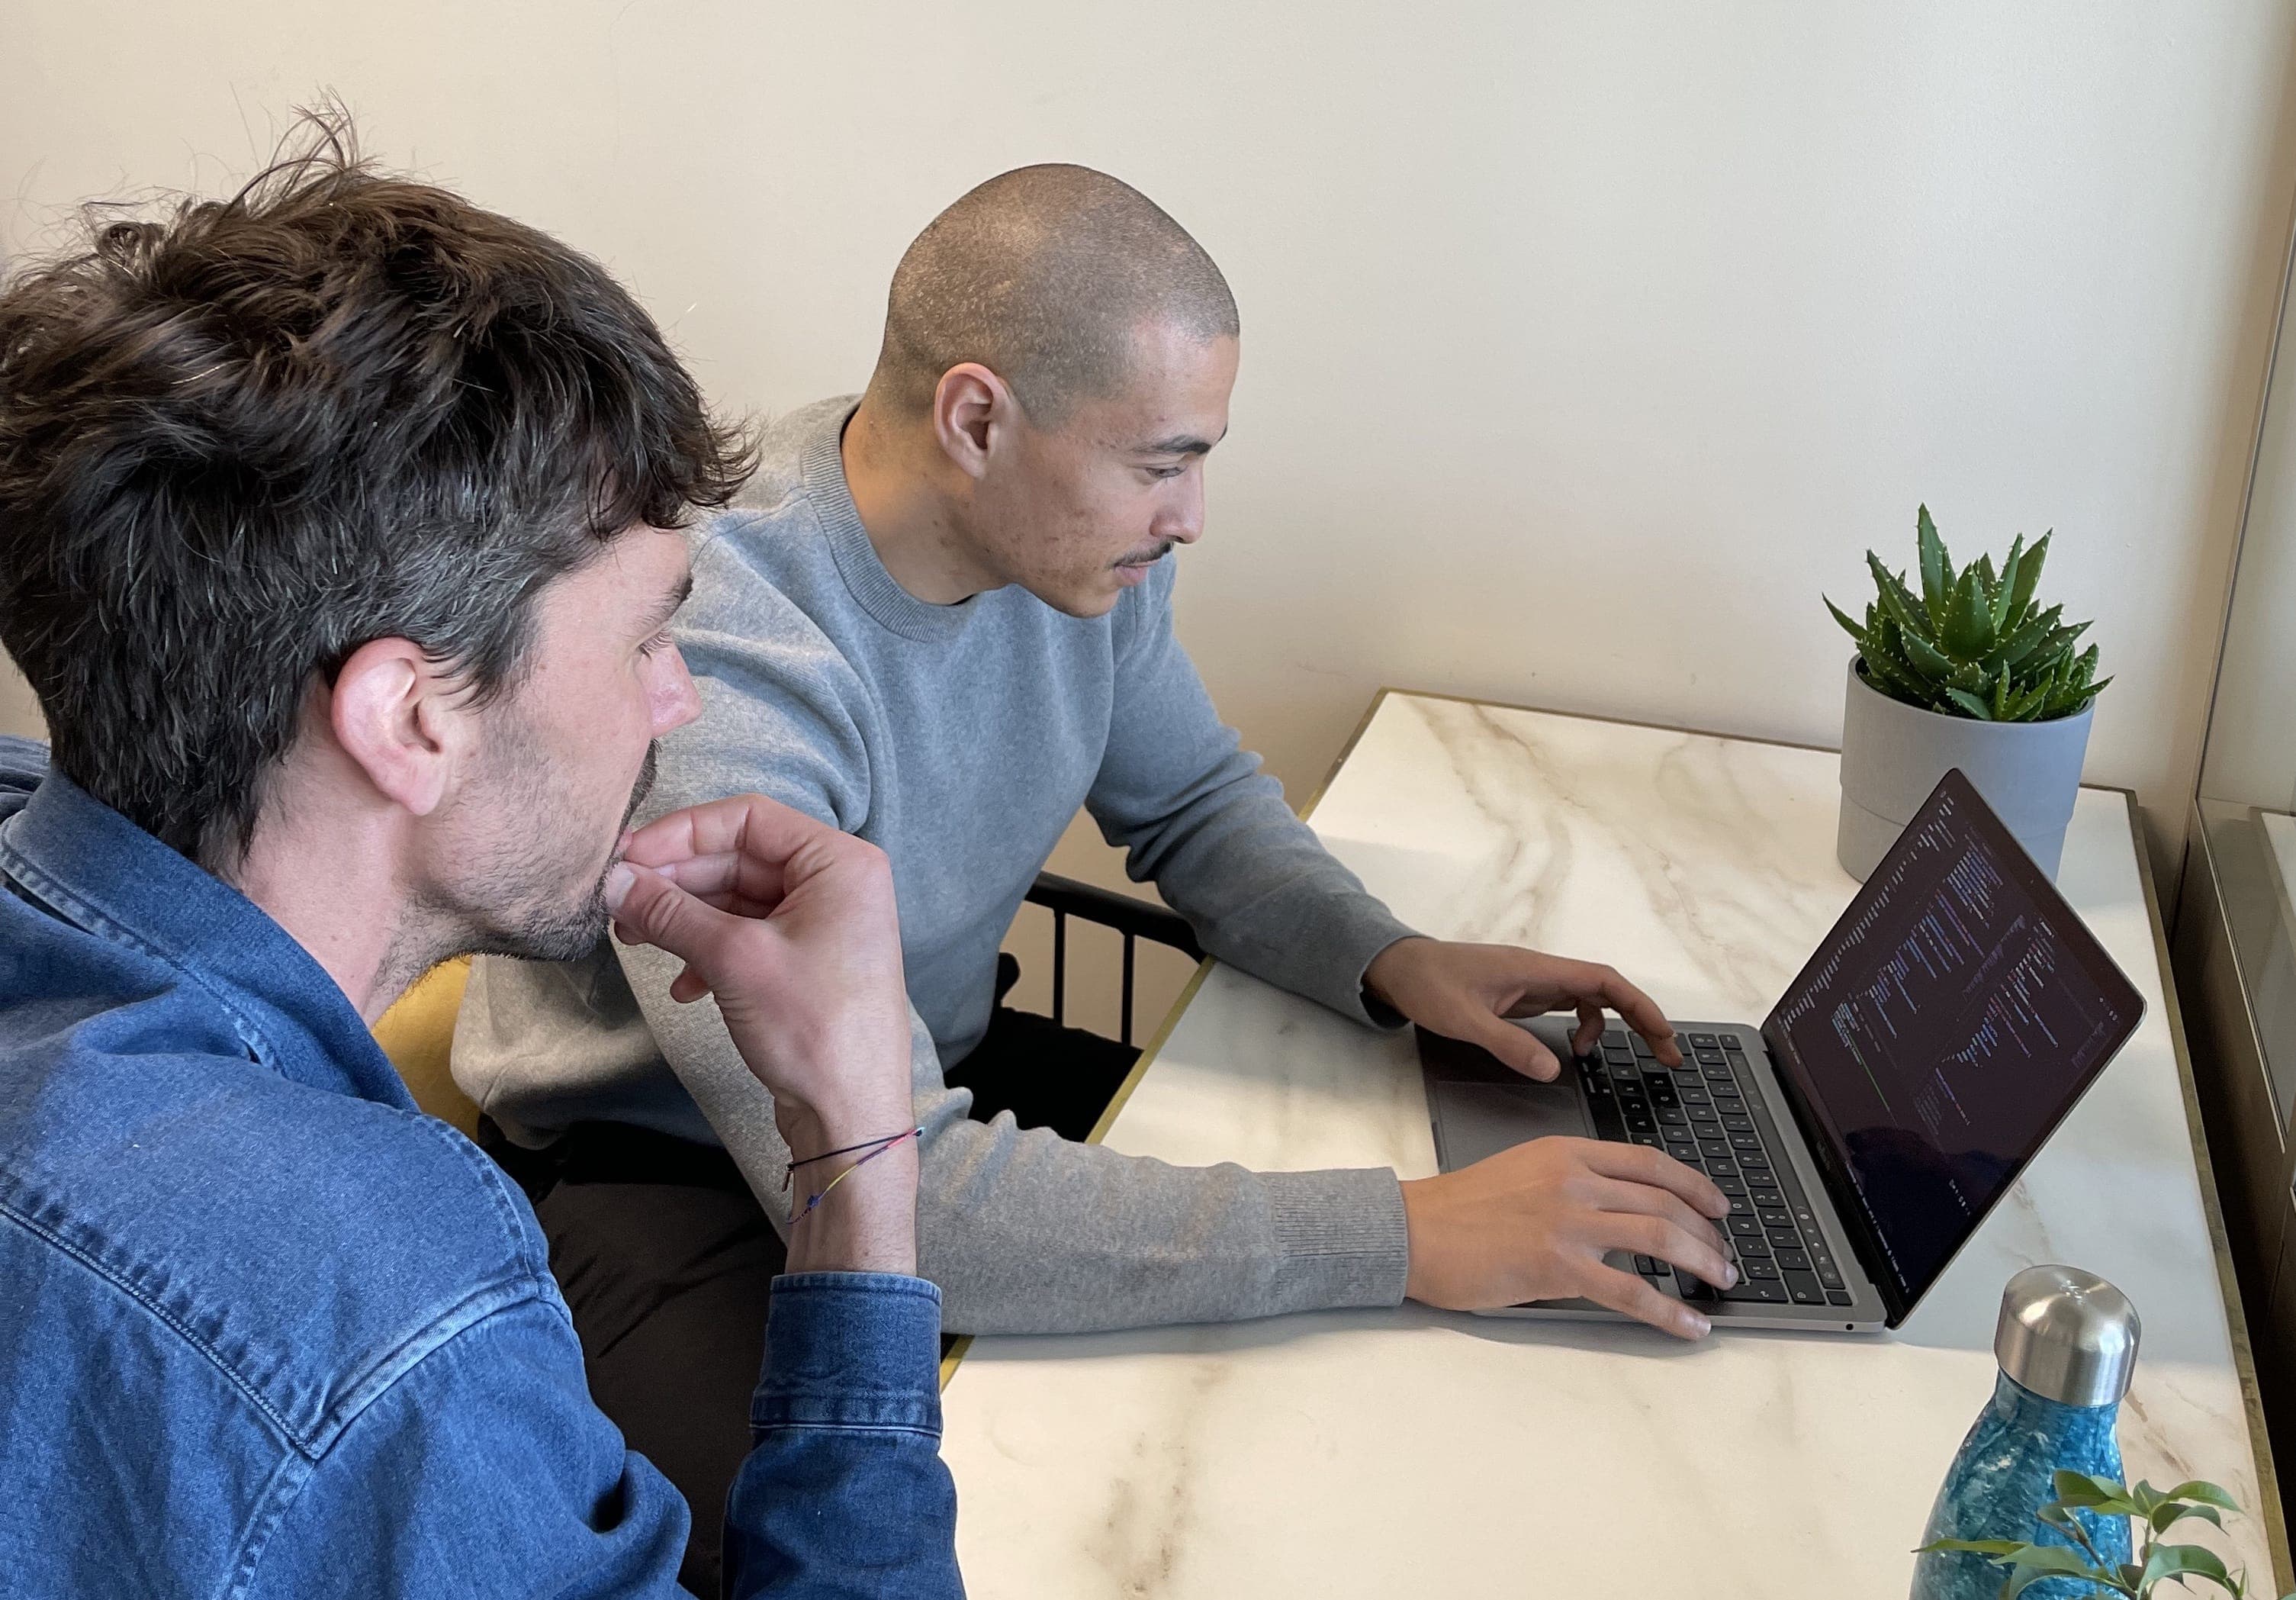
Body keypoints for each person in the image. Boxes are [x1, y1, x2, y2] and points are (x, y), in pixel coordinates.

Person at [456, 163, 1736, 1559]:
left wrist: (1389, 957)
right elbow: (905, 1194)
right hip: (664, 1173)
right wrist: (1407, 1234)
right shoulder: (724, 653)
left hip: (925, 1087)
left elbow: (1189, 802)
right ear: (977, 418)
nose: (1189, 515)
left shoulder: (1079, 559)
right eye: (1162, 460)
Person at [0, 128, 960, 1599]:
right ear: (410, 715)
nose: (676, 698)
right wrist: (854, 1147)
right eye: (644, 634)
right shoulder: (379, 1319)